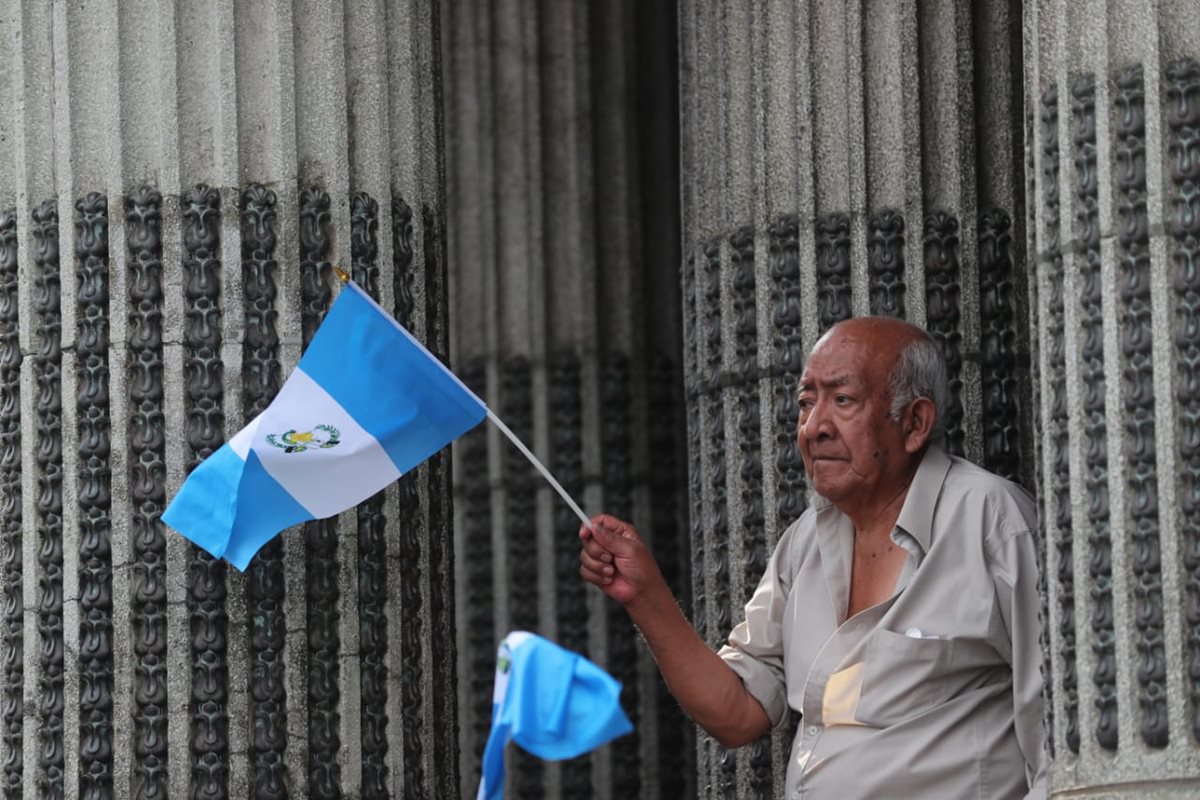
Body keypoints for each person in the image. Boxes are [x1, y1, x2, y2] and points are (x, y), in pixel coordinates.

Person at [580, 316, 1046, 799]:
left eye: (842, 401)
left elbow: (1058, 725)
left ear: (914, 423)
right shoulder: (806, 541)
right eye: (806, 403)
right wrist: (645, 595)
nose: (813, 427)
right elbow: (737, 712)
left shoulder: (992, 521)